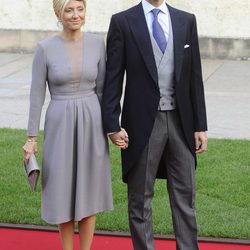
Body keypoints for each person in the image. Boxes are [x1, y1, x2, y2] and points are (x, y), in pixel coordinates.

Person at [102, 0, 207, 249]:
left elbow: (195, 77)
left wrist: (200, 125)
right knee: (140, 200)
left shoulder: (186, 20)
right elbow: (113, 78)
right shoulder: (123, 21)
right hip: (141, 124)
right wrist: (112, 124)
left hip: (182, 123)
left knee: (185, 198)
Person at [22, 0, 113, 249]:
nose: (75, 15)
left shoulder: (97, 43)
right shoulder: (44, 48)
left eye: (80, 9)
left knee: (89, 190)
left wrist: (112, 128)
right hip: (59, 123)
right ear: (58, 13)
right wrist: (31, 137)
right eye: (69, 10)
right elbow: (36, 96)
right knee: (63, 189)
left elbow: (105, 92)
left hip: (92, 123)